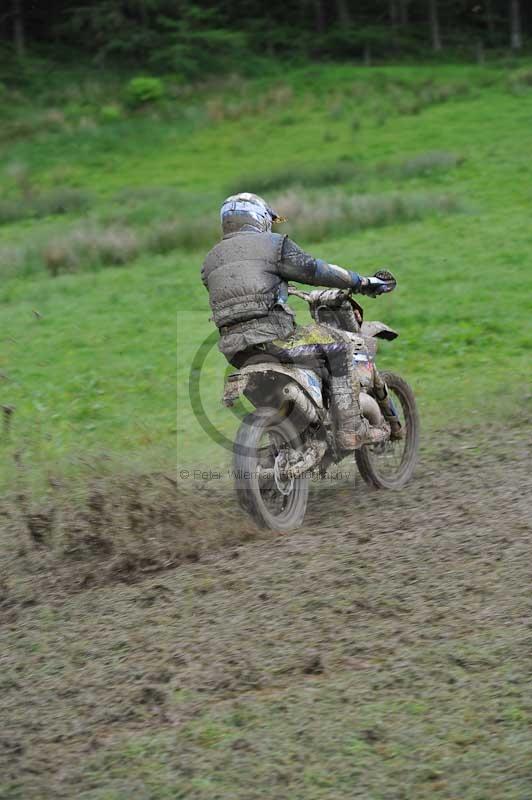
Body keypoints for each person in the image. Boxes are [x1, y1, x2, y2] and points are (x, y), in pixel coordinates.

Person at [201, 192, 402, 449]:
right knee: (339, 346)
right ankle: (350, 430)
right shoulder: (273, 245)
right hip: (275, 339)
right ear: (259, 218)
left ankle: (302, 431)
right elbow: (317, 270)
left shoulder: (210, 261)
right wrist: (362, 282)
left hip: (236, 350)